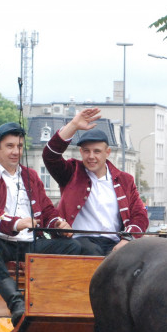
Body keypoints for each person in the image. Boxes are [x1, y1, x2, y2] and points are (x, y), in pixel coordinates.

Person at [0, 121, 82, 325]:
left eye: (19, 146)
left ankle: (50, 300)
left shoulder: (30, 175)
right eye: (10, 146)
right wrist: (16, 223)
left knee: (73, 246)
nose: (16, 151)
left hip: (30, 242)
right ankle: (16, 304)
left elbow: (47, 210)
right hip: (0, 242)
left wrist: (58, 224)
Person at [42, 108, 148, 256]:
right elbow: (49, 156)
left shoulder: (125, 180)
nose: (91, 156)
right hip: (81, 242)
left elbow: (140, 215)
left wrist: (127, 239)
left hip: (114, 242)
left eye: (97, 151)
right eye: (86, 151)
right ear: (81, 152)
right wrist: (73, 125)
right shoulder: (72, 172)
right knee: (91, 251)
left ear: (107, 153)